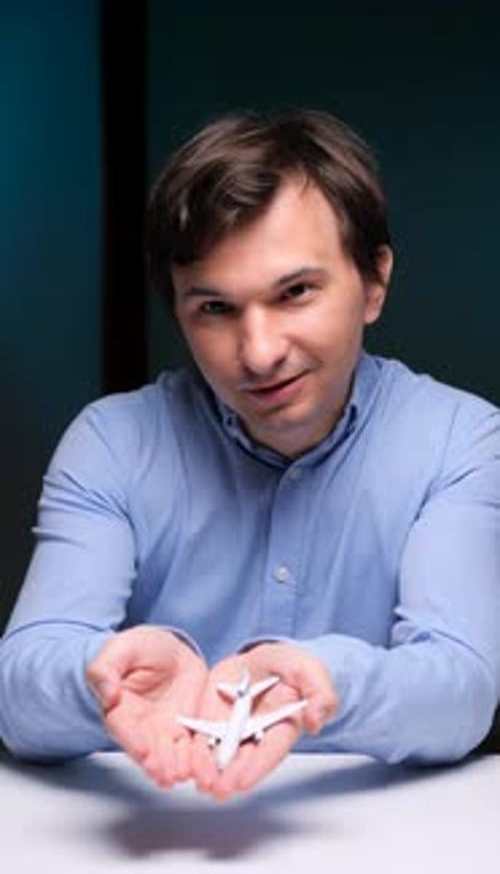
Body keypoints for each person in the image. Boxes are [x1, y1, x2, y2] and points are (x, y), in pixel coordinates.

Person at [1, 109, 500, 801]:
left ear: (374, 283)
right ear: (178, 311)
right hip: (155, 835)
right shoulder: (112, 442)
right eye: (214, 308)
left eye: (295, 292)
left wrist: (323, 683)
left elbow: (463, 692)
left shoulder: (461, 440)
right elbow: (18, 692)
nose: (259, 352)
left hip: (375, 847)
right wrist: (101, 675)